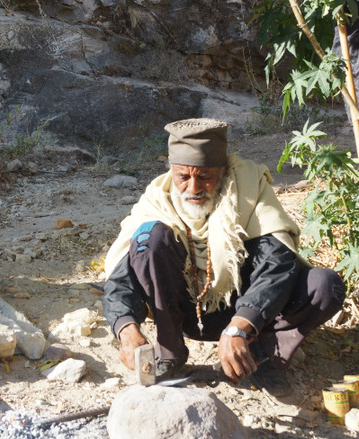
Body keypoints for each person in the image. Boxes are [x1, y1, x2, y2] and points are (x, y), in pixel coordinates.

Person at [102, 118, 346, 396]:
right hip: (184, 315)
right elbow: (122, 277)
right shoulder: (158, 199)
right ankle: (169, 352)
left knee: (325, 286)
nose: (193, 188)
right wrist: (126, 330)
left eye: (205, 176)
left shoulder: (249, 189)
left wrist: (241, 326)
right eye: (183, 177)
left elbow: (278, 264)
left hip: (249, 316)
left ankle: (260, 356)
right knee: (150, 239)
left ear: (224, 169)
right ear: (172, 172)